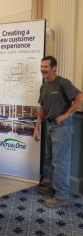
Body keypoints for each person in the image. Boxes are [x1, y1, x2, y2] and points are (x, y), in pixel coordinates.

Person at [33, 56, 83, 208]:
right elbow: (42, 107)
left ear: (54, 68)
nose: (42, 69)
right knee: (49, 159)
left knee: (60, 162)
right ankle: (52, 187)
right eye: (41, 66)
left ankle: (62, 196)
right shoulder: (44, 86)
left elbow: (80, 99)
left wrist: (66, 115)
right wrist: (37, 126)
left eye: (46, 66)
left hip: (62, 128)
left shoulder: (63, 83)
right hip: (49, 125)